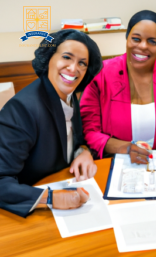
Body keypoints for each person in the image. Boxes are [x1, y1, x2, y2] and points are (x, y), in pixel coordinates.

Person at [0, 29, 102, 217]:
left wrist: (84, 152)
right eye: (66, 57)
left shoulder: (69, 96)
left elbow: (75, 140)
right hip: (26, 211)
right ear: (49, 58)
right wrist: (51, 198)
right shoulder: (22, 109)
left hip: (66, 193)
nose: (73, 68)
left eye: (82, 63)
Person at [80, 10, 156, 164]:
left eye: (152, 41)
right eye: (136, 39)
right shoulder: (101, 73)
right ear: (126, 38)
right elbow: (89, 130)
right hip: (115, 162)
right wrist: (125, 148)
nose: (143, 46)